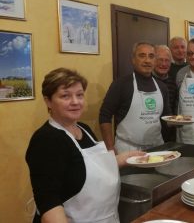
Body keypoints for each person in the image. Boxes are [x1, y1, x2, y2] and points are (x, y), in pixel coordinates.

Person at [26, 68, 145, 223]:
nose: (75, 102)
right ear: (48, 101)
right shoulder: (45, 140)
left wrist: (125, 158)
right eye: (65, 96)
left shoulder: (84, 129)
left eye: (79, 95)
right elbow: (49, 203)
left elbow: (87, 168)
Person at [99, 42, 171, 153]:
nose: (147, 60)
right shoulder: (120, 84)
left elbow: (167, 118)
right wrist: (109, 148)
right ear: (133, 59)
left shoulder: (162, 87)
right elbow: (104, 115)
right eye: (142, 56)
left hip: (157, 149)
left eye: (151, 56)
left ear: (155, 61)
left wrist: (178, 123)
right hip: (127, 149)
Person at [153, 44, 177, 142]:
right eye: (160, 60)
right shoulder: (147, 80)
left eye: (167, 60)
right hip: (150, 133)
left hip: (168, 134)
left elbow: (174, 108)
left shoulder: (173, 83)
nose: (163, 64)